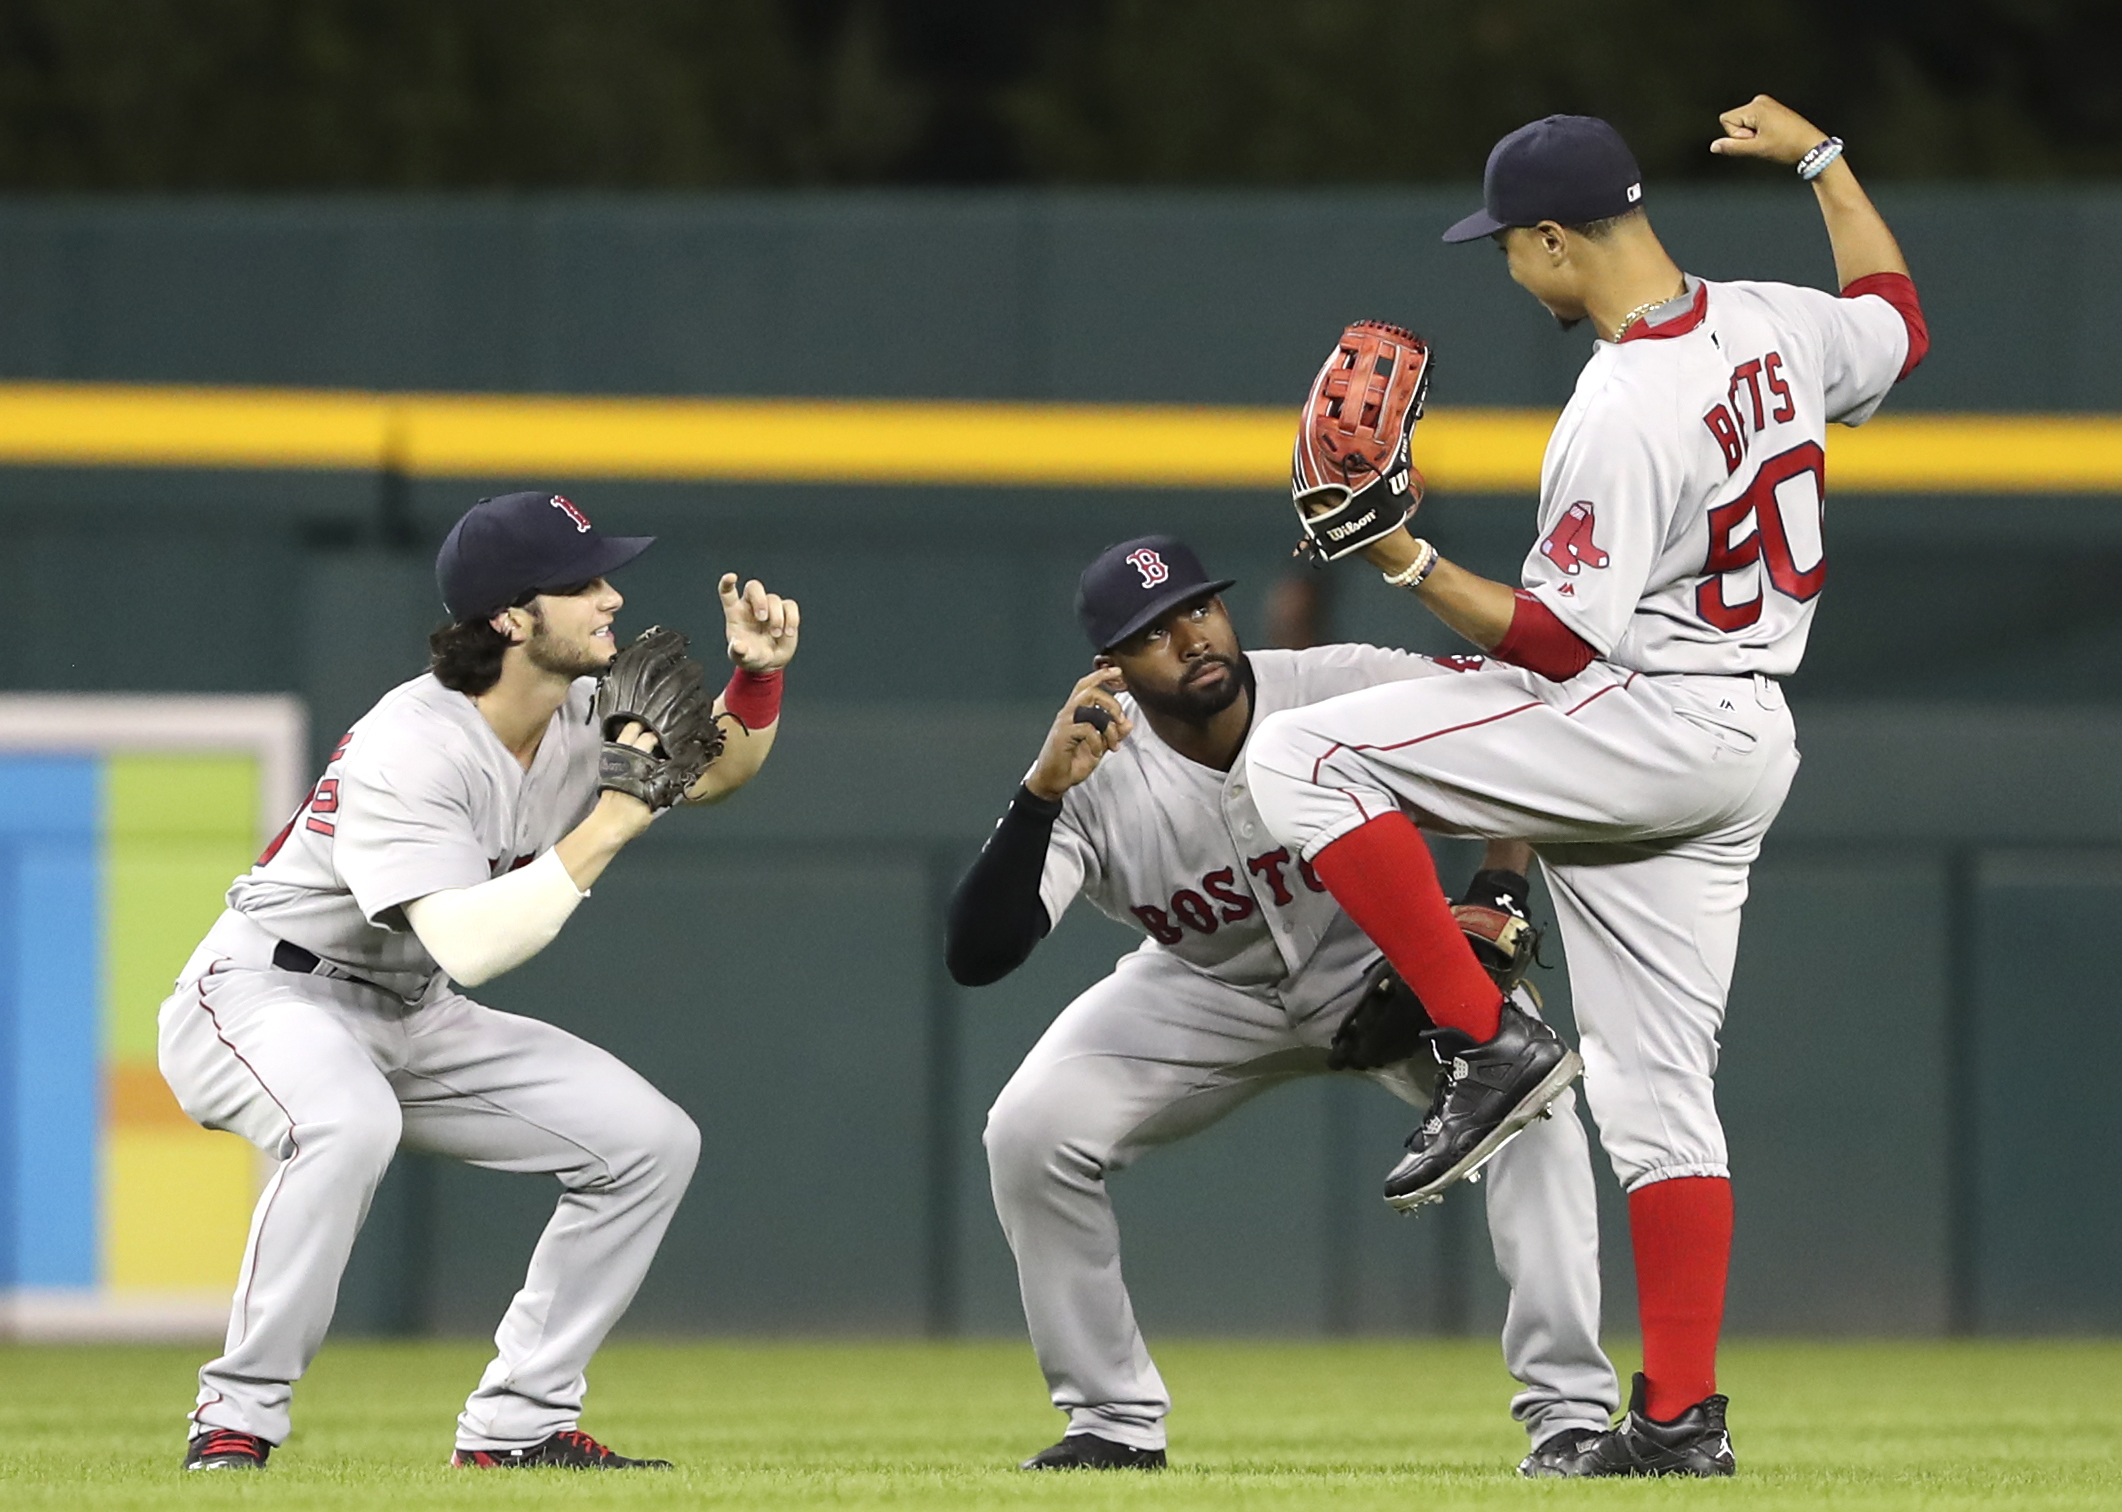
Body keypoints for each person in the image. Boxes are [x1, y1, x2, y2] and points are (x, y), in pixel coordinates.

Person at [1243, 98, 1928, 1476]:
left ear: (1558, 237)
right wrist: (1824, 161)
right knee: (1662, 1095)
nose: (1507, 267)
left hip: (1650, 718)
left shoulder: (1619, 404)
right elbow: (1897, 316)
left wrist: (1399, 559)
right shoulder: (1773, 325)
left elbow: (1559, 644)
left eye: (1510, 246)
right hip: (1742, 749)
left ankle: (1478, 1037)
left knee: (1295, 751)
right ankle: (1676, 1424)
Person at [949, 534, 1618, 1477]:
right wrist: (1041, 792)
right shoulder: (1096, 771)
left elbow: (1514, 721)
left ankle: (1570, 1417)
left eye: (1198, 608)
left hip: (1389, 960)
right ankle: (1111, 1421)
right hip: (1205, 987)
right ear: (1113, 670)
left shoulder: (1336, 682)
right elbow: (980, 952)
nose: (1190, 638)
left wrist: (1501, 886)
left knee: (1533, 1097)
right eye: (1152, 633)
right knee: (1028, 1130)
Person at [156, 490, 799, 1471]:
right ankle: (235, 1417)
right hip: (264, 993)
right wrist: (617, 817)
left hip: (411, 1010)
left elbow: (711, 772)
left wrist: (755, 681)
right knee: (347, 1121)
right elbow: (471, 942)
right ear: (509, 616)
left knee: (647, 1142)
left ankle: (518, 1427)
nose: (611, 600)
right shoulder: (411, 746)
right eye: (582, 583)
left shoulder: (582, 709)